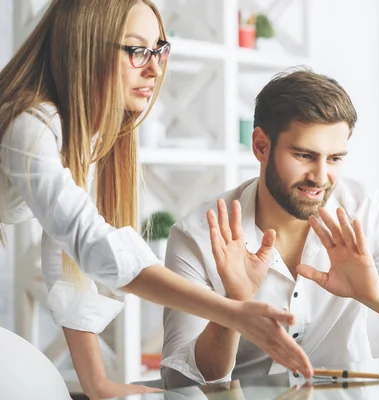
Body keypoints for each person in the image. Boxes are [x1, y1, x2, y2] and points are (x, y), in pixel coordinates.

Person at [0, 1, 311, 399]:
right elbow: (96, 246)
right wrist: (231, 311)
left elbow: (66, 254)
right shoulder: (30, 125)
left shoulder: (80, 131)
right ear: (85, 46)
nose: (155, 68)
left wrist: (98, 385)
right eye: (136, 50)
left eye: (159, 49)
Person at [160, 68, 379, 388]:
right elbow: (179, 382)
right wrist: (232, 306)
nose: (320, 177)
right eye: (304, 155)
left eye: (335, 159)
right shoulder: (198, 236)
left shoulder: (367, 211)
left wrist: (378, 294)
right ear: (260, 146)